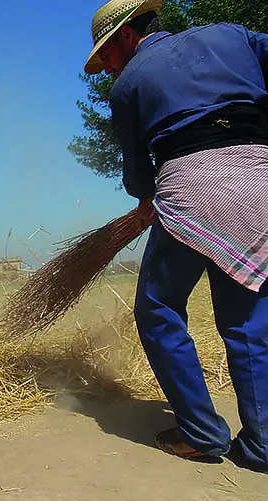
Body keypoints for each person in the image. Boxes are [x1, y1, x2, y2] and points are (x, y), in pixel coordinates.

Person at [85, 0, 268, 472]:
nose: (107, 66)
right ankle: (262, 445)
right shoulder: (234, 35)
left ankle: (203, 433)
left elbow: (136, 171)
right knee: (246, 322)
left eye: (106, 54)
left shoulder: (128, 84)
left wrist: (146, 199)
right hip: (260, 180)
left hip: (193, 189)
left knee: (158, 309)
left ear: (127, 35)